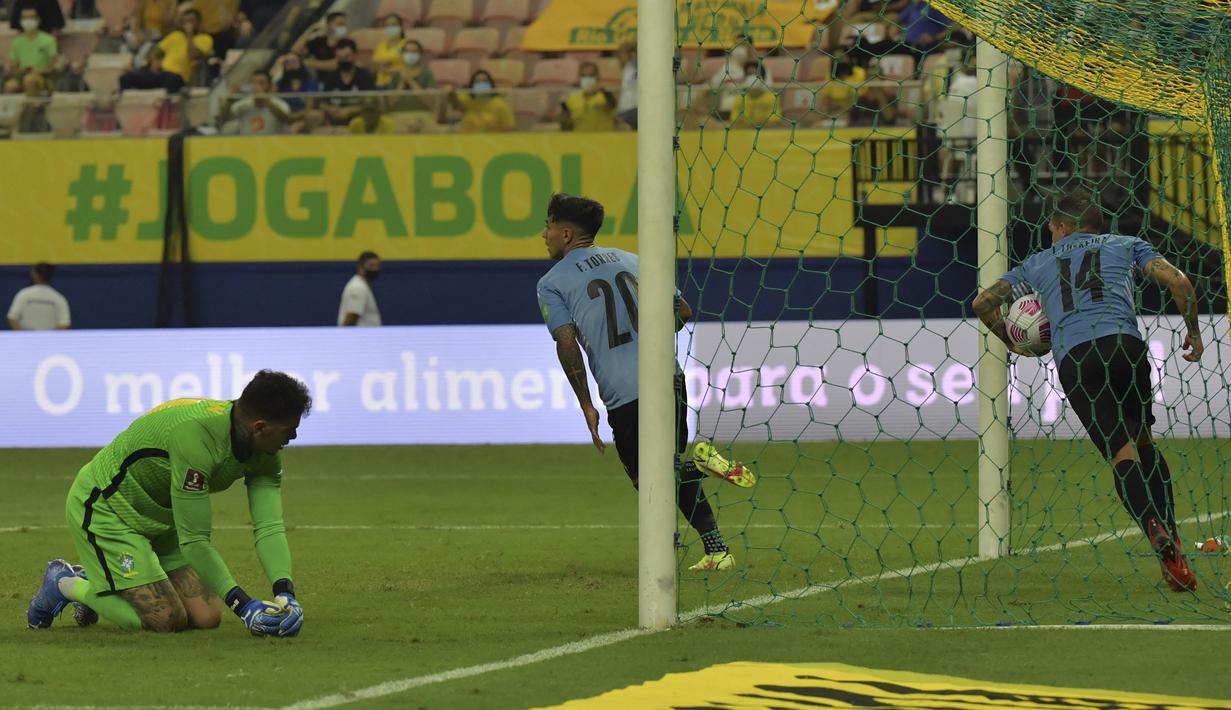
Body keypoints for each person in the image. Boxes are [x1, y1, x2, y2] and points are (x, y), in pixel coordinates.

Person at [972, 187, 1202, 592]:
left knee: (1121, 455)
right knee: (1144, 441)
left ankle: (1153, 530)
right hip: (1124, 348)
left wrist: (1012, 341)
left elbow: (982, 303)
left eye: (1051, 230)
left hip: (1078, 360)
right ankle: (1174, 546)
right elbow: (1178, 281)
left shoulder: (1036, 262)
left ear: (1062, 226)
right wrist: (1194, 333)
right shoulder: (1128, 244)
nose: (1050, 237)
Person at [535, 193, 756, 572]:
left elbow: (566, 342)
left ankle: (699, 464)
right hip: (669, 377)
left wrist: (586, 404)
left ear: (567, 234)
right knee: (665, 468)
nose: (544, 234)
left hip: (625, 392)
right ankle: (717, 550)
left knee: (648, 477)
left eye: (549, 226)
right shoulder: (633, 260)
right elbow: (683, 311)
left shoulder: (552, 282)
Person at [25, 371, 311, 635]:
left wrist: (285, 592)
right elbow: (195, 540)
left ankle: (111, 581)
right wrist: (244, 605)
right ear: (260, 427)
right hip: (108, 510)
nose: (294, 437)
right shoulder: (196, 439)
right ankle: (66, 583)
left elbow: (269, 525)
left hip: (162, 518)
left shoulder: (264, 450)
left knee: (207, 618)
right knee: (165, 619)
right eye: (290, 430)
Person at [321, 38, 374, 126]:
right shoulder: (330, 76)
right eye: (340, 58)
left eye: (346, 57)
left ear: (355, 55)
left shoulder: (365, 76)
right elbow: (322, 102)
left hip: (358, 115)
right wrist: (330, 109)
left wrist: (350, 110)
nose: (343, 61)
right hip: (334, 114)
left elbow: (371, 102)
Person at [221, 69, 291, 135]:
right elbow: (224, 119)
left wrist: (267, 102)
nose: (256, 87)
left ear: (269, 86)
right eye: (253, 83)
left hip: (273, 145)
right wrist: (230, 100)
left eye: (261, 83)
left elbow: (287, 120)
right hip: (248, 145)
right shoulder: (243, 104)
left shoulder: (280, 104)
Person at [156, 7, 213, 84]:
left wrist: (190, 34)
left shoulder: (205, 39)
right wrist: (155, 63)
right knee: (135, 76)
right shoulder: (175, 35)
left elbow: (192, 56)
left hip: (179, 76)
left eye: (191, 21)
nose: (187, 24)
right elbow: (155, 52)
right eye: (185, 21)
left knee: (169, 79)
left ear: (199, 22)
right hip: (161, 73)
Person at [7, 262, 69, 330]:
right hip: (48, 339)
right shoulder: (59, 298)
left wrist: (24, 336)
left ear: (35, 275)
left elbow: (12, 319)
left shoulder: (23, 294)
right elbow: (64, 324)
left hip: (29, 339)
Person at [448, 69, 513, 133]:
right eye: (477, 82)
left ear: (491, 84)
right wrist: (450, 92)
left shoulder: (500, 104)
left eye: (484, 81)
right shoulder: (467, 99)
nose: (481, 84)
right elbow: (455, 103)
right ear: (472, 85)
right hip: (467, 140)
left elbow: (508, 128)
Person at [560, 61, 617, 132]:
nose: (587, 79)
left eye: (591, 75)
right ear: (579, 77)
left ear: (598, 77)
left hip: (603, 140)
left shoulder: (605, 95)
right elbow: (566, 124)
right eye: (584, 76)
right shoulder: (572, 98)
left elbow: (612, 105)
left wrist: (603, 90)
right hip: (580, 140)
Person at [7, 7, 58, 76]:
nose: (28, 20)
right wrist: (22, 70)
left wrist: (37, 71)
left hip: (42, 75)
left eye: (31, 17)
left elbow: (52, 66)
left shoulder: (49, 40)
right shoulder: (16, 41)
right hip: (21, 75)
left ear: (38, 20)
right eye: (24, 18)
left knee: (31, 81)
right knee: (11, 86)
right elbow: (13, 65)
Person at [338, 251, 381, 326]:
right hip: (360, 337)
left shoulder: (363, 286)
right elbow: (351, 317)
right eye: (371, 266)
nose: (375, 269)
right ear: (360, 268)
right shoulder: (358, 287)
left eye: (377, 266)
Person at [299, 10, 348, 74]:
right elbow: (295, 52)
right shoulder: (319, 41)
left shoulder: (347, 43)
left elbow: (336, 64)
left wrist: (307, 63)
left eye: (344, 25)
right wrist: (310, 30)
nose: (343, 28)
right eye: (340, 24)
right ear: (329, 25)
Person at [119, 46, 185, 92]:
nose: (158, 62)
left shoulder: (172, 78)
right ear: (150, 59)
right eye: (156, 59)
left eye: (160, 59)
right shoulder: (138, 75)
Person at [372, 14, 406, 88]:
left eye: (393, 24)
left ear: (401, 27)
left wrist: (387, 69)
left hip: (398, 84)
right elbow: (375, 63)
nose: (390, 27)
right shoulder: (381, 44)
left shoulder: (406, 44)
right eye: (387, 25)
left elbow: (408, 68)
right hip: (380, 84)